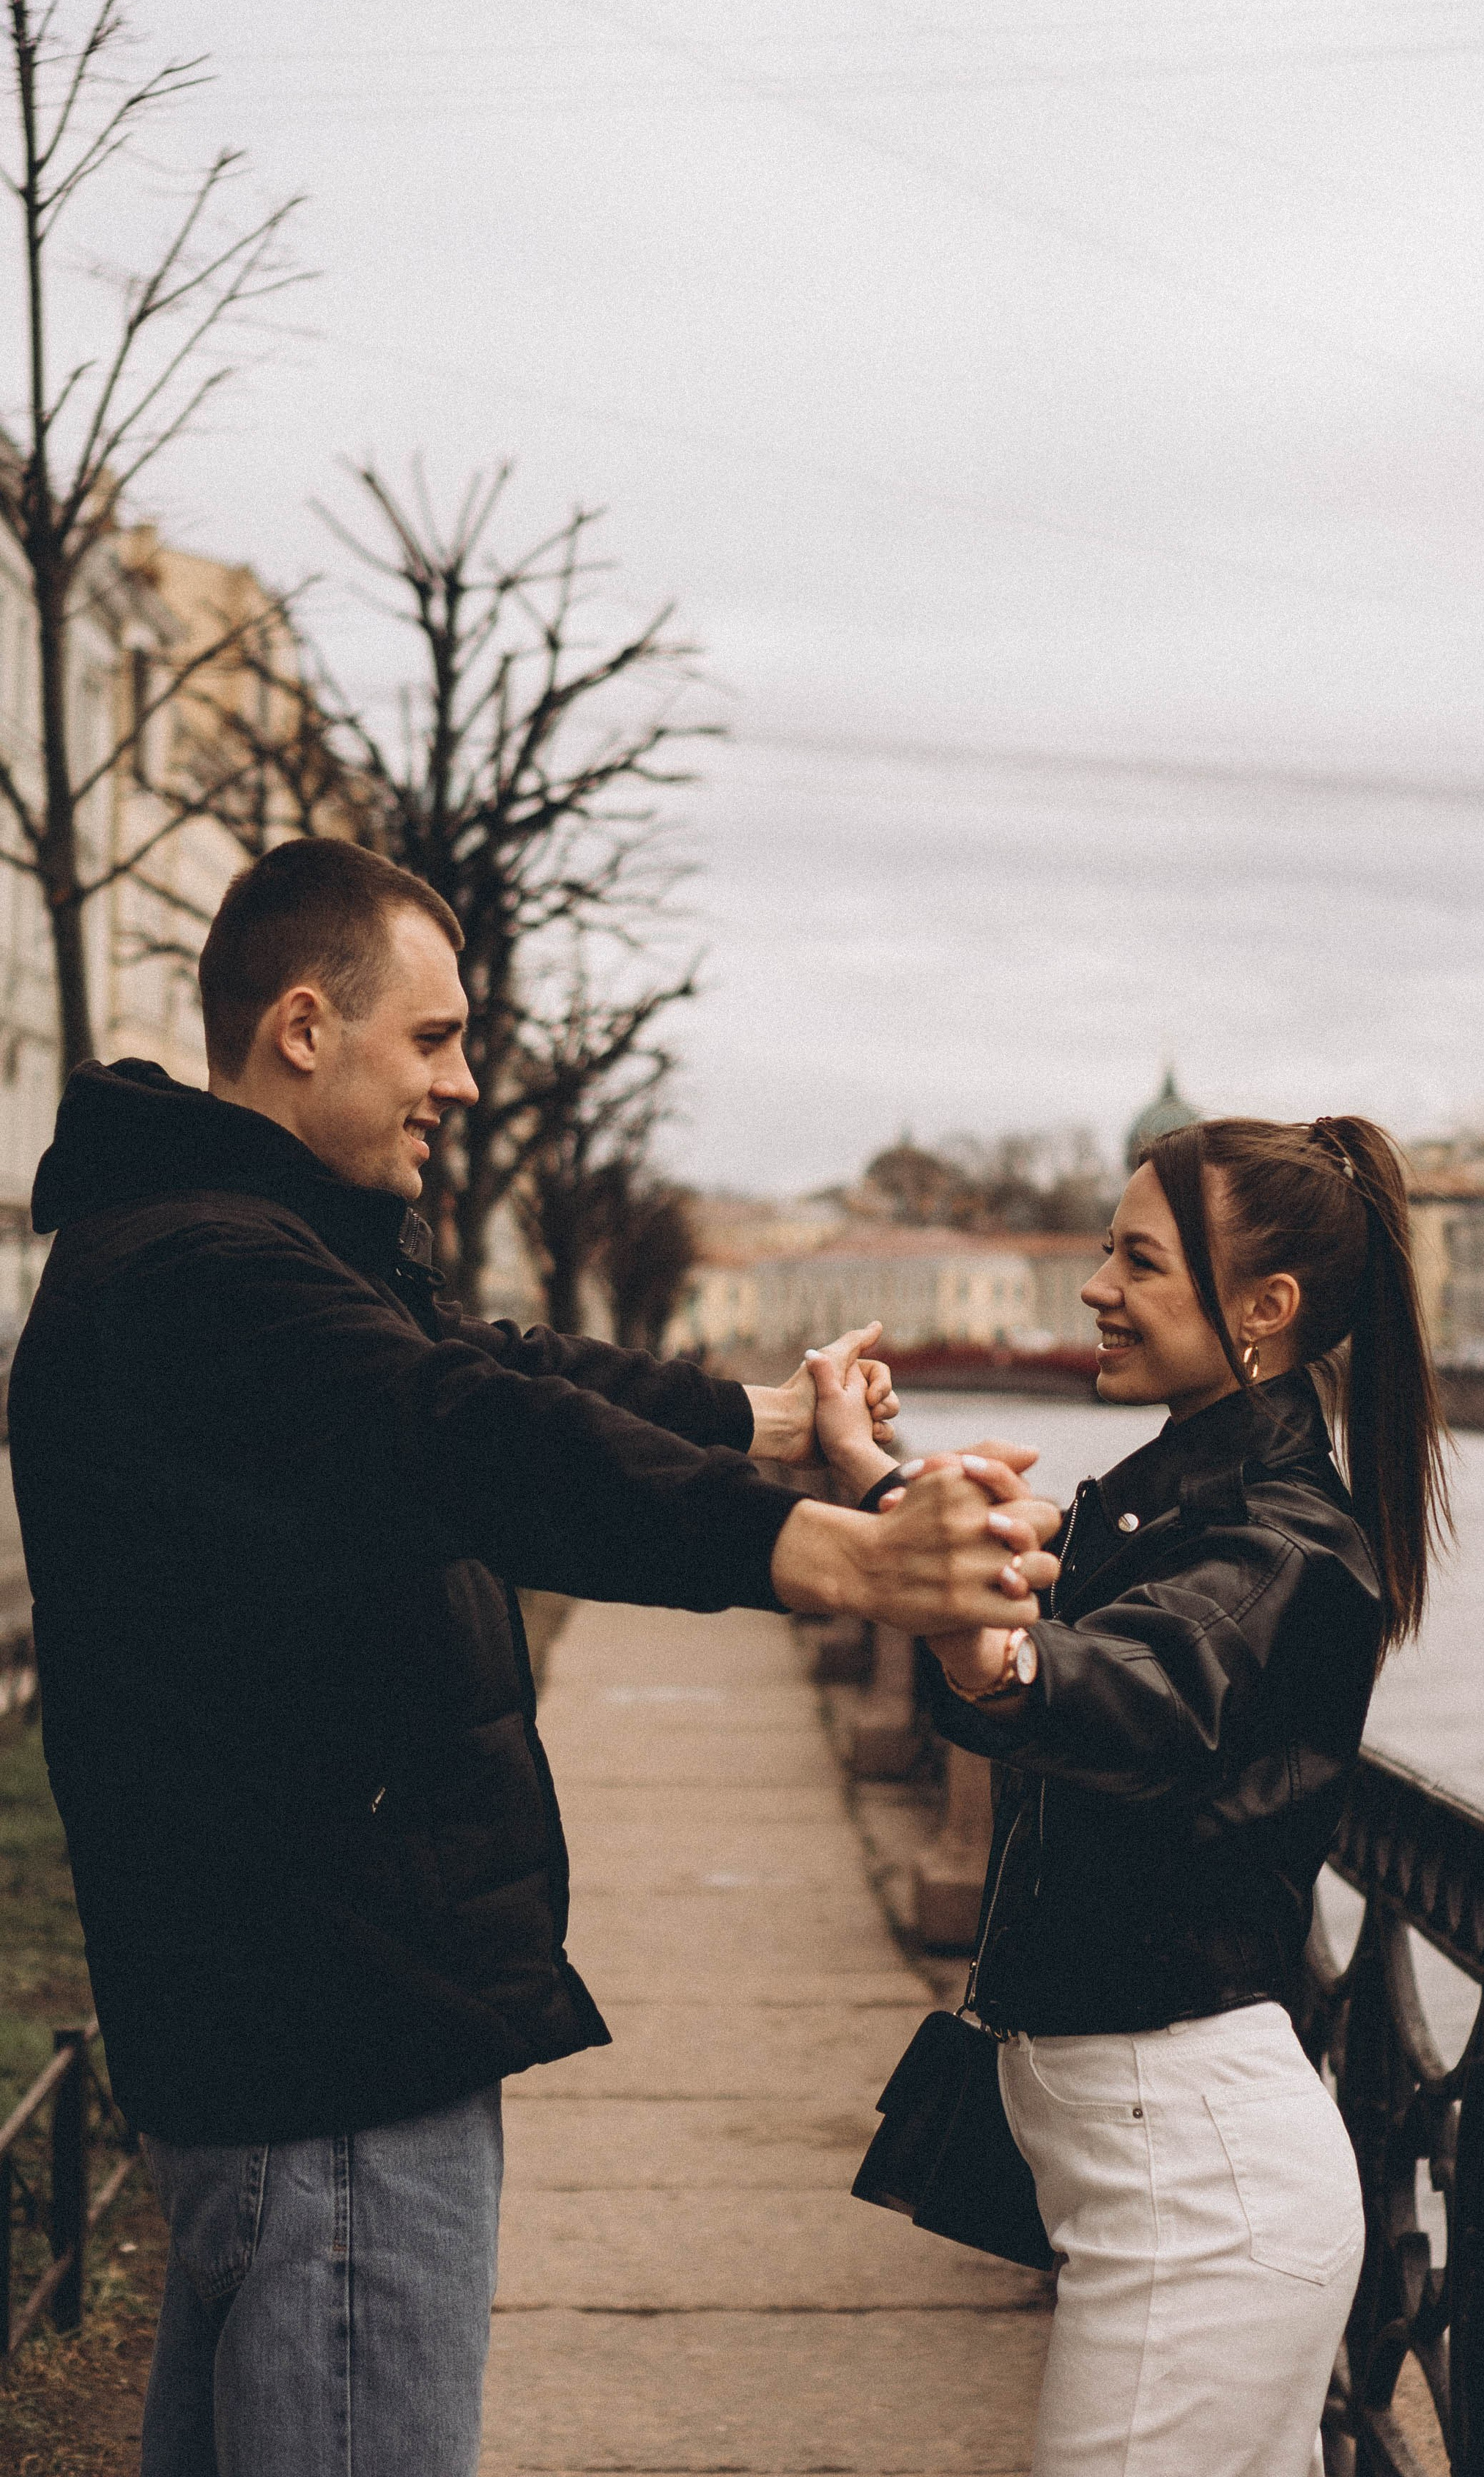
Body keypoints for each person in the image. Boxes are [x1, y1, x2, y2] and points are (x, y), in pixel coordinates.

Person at [8, 837, 1061, 2477]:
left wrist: (767, 1422)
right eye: (433, 1040)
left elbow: (485, 1365)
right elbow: (470, 1433)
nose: (465, 1083)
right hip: (337, 2043)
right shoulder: (212, 1273)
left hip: (292, 2033)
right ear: (303, 1026)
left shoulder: (230, 1238)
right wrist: (849, 1554)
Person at [819, 1114, 1447, 2477]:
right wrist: (874, 1481)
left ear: (1263, 1310)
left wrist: (982, 1642)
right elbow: (1049, 1622)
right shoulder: (1174, 1503)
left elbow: (1135, 1684)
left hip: (1201, 2203)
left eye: (1142, 1262)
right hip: (1162, 2180)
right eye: (1107, 1248)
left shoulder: (1289, 1547)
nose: (1097, 1286)